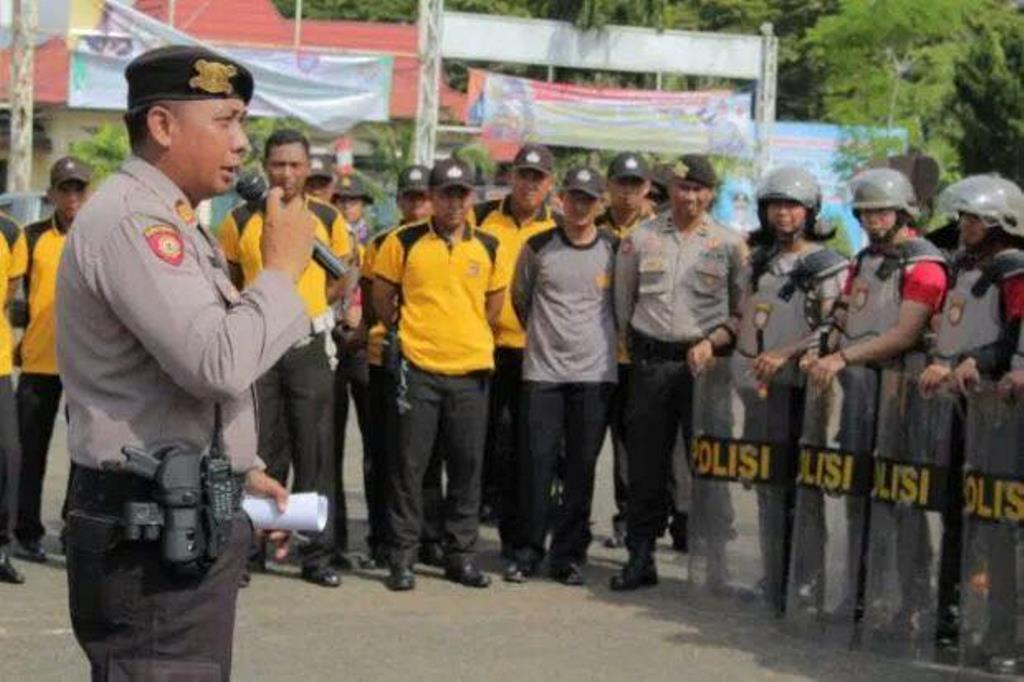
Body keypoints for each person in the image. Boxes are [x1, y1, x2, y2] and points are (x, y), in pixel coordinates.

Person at [58, 45, 314, 679]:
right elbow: (215, 362)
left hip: (179, 510)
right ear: (163, 126)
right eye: (225, 121)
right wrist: (281, 271)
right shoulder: (135, 225)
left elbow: (181, 378)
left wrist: (240, 468)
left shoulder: (172, 220)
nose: (242, 143)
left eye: (243, 122)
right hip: (146, 531)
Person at [792, 167, 947, 630]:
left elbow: (904, 334)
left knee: (903, 495)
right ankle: (861, 590)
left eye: (881, 211)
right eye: (865, 212)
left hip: (904, 389)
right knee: (858, 490)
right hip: (861, 391)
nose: (872, 219)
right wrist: (821, 348)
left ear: (902, 212)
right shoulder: (864, 260)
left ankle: (913, 598)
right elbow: (843, 314)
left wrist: (842, 359)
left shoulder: (924, 264)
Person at [218, 128, 355, 588]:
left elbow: (343, 276)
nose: (287, 174)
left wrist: (314, 309)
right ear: (265, 167)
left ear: (308, 168)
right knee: (259, 455)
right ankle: (249, 551)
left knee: (315, 453)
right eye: (278, 164)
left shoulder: (327, 219)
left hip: (308, 347)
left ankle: (316, 556)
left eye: (296, 165)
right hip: (259, 351)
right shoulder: (239, 220)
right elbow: (232, 279)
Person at [708, 166, 846, 609]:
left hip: (801, 389)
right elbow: (742, 315)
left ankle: (806, 579)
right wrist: (711, 342)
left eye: (792, 206)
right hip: (757, 387)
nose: (783, 214)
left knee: (801, 486)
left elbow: (832, 329)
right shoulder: (759, 261)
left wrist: (788, 354)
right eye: (775, 206)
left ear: (810, 211)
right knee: (767, 483)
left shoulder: (829, 265)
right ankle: (774, 571)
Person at [373, 158, 511, 591]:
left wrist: (464, 333)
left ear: (472, 197)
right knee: (409, 470)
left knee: (467, 469)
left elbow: (493, 304)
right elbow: (383, 297)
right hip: (418, 370)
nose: (454, 202)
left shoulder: (488, 246)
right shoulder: (403, 241)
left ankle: (461, 556)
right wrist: (413, 335)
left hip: (470, 371)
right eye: (446, 193)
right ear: (431, 197)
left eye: (461, 194)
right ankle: (403, 558)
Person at [610, 154, 747, 591]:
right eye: (682, 187)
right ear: (667, 190)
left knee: (709, 462)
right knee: (646, 464)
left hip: (705, 366)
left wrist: (713, 342)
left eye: (698, 188)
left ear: (710, 193)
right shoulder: (641, 237)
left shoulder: (729, 244)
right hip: (651, 364)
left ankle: (715, 563)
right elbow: (622, 302)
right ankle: (640, 555)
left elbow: (740, 310)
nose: (689, 196)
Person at [920, 176, 1024, 672]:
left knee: (1001, 524)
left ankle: (1006, 632)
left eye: (975, 219)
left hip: (1002, 414)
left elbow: (1012, 344)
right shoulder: (966, 267)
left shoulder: (1013, 270)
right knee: (963, 514)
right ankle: (958, 614)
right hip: (967, 407)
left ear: (1004, 222)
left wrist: (973, 361)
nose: (965, 226)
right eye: (963, 218)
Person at [504, 166, 618, 586]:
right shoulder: (538, 247)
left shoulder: (614, 249)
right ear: (561, 200)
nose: (580, 206)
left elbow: (623, 305)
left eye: (589, 199)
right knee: (536, 465)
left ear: (599, 204)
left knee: (581, 470)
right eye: (574, 198)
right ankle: (527, 552)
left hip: (594, 376)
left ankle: (568, 556)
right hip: (543, 374)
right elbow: (522, 301)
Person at [476, 144, 559, 555]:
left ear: (550, 184)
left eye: (538, 177)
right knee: (482, 448)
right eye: (523, 174)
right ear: (510, 177)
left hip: (537, 357)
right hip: (483, 352)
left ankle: (523, 540)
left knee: (530, 451)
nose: (529, 184)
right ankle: (464, 533)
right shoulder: (480, 218)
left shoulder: (559, 228)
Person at [358, 164, 442, 568]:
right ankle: (381, 535)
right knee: (382, 454)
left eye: (423, 196)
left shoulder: (447, 241)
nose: (417, 204)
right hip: (386, 360)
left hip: (431, 361)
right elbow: (374, 301)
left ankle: (428, 535)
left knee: (425, 457)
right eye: (409, 197)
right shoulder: (382, 242)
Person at [12, 157, 92, 564]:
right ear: (53, 194)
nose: (73, 197)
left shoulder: (100, 238)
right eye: (66, 189)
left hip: (86, 366)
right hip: (39, 362)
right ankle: (25, 531)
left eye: (79, 189)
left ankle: (74, 528)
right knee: (29, 454)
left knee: (84, 453)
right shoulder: (32, 236)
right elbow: (16, 296)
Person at [596, 152, 654, 551]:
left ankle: (628, 521)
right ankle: (567, 517)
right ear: (609, 186)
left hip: (635, 356)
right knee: (575, 444)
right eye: (621, 184)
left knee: (630, 448)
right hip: (590, 353)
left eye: (635, 185)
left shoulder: (658, 232)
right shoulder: (588, 227)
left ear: (646, 189)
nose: (628, 192)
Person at [329, 172, 373, 569]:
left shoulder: (375, 241)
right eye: (341, 199)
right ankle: (334, 539)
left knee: (379, 446)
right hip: (329, 340)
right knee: (329, 446)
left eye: (354, 200)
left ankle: (381, 536)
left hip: (363, 346)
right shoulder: (321, 235)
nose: (347, 206)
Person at [0, 206, 26, 585]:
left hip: (0, 363)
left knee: (8, 453)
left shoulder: (9, 231)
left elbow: (9, 291)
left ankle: (2, 546)